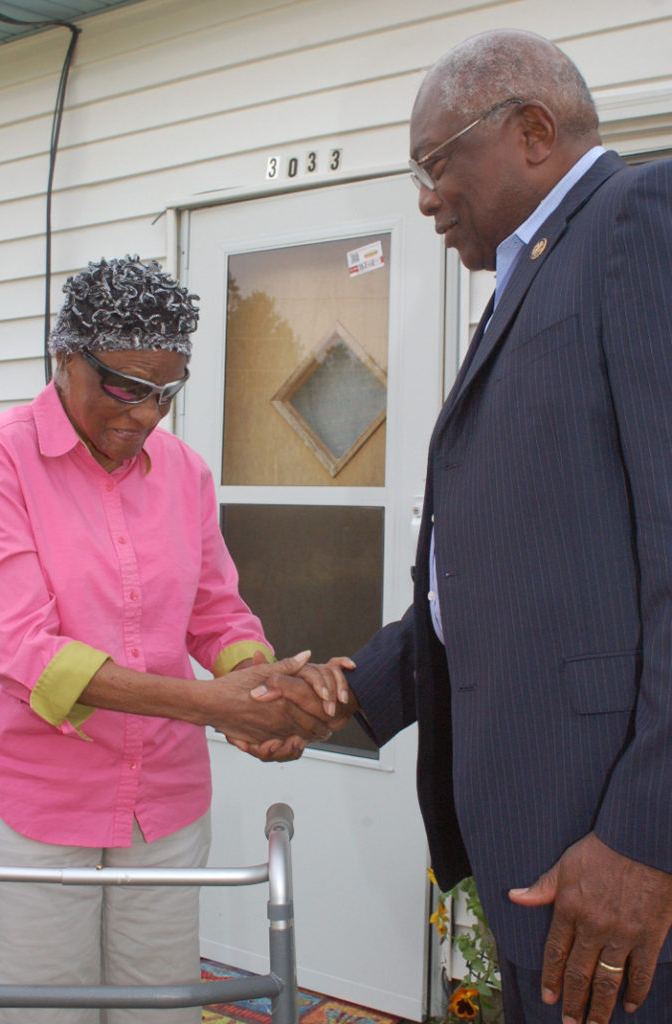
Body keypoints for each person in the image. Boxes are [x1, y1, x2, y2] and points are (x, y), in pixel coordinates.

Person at [264, 28, 672, 1024]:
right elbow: (498, 580)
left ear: (531, 130)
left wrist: (643, 834)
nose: (423, 196)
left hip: (605, 840)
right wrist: (341, 693)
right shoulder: (526, 280)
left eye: (435, 164)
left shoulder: (635, 221)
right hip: (539, 825)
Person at [0, 254, 347, 1024]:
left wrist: (259, 689)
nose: (143, 416)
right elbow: (23, 646)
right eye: (125, 388)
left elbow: (217, 615)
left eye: (166, 393)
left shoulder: (184, 474)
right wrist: (212, 707)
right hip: (29, 800)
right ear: (66, 358)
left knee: (153, 1011)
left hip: (158, 803)